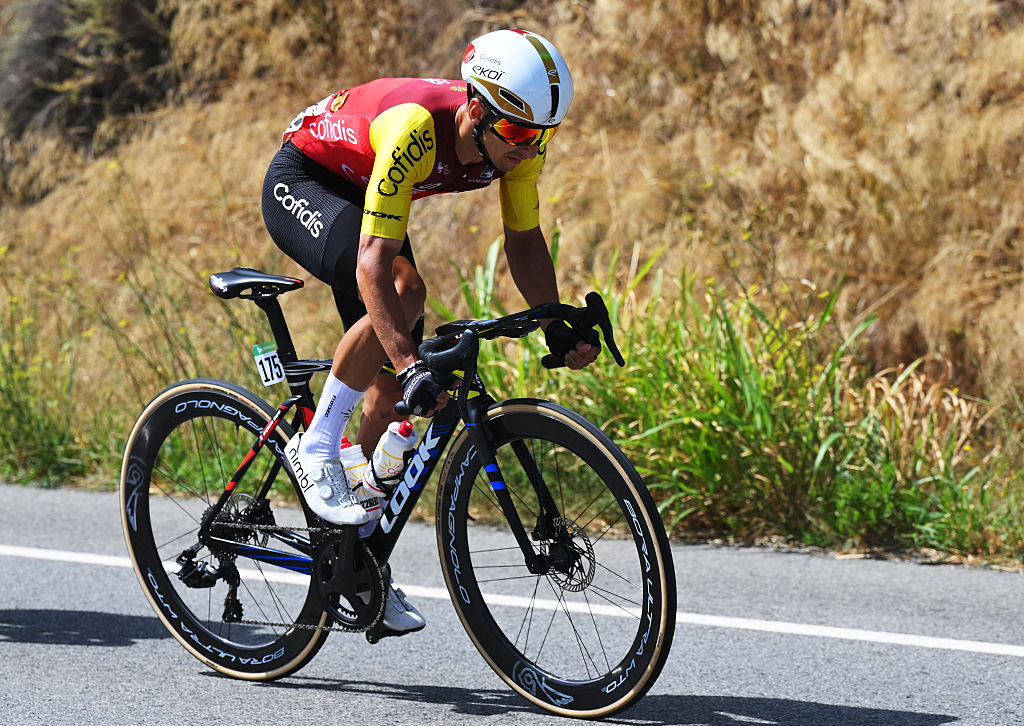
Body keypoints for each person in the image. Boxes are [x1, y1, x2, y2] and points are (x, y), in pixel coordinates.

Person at [260, 29, 599, 636]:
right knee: (406, 294)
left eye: (544, 136)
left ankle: (353, 557)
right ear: (476, 108)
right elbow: (371, 263)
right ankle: (314, 446)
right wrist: (411, 360)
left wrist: (554, 323)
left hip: (365, 194)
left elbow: (523, 242)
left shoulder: (520, 138)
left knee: (389, 399)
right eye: (520, 135)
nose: (531, 151)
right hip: (306, 179)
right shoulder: (417, 128)